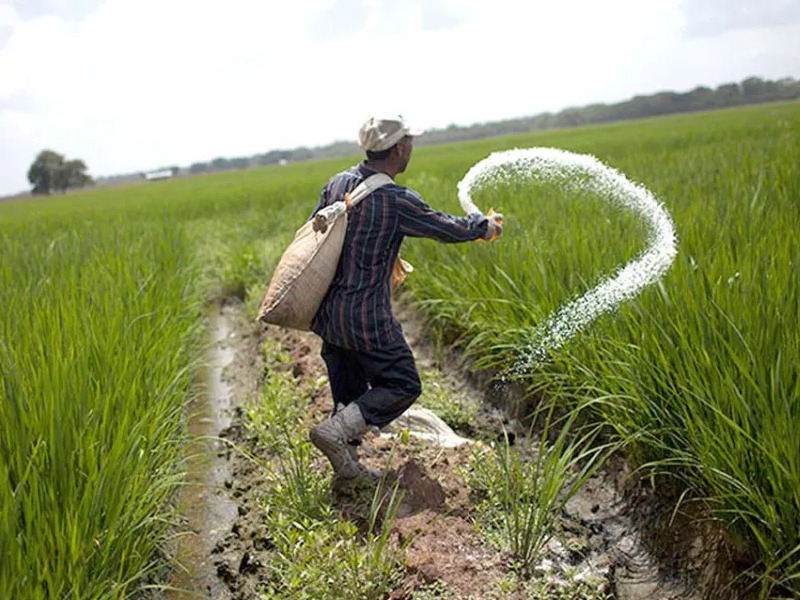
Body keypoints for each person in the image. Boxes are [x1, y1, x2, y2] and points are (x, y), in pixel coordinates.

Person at [308, 115, 503, 487]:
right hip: (367, 317)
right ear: (399, 148)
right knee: (402, 384)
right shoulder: (394, 199)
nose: (411, 148)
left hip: (330, 315)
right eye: (409, 142)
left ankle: (347, 472)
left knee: (349, 394)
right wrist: (484, 226)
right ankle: (333, 435)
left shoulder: (337, 184)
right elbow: (445, 227)